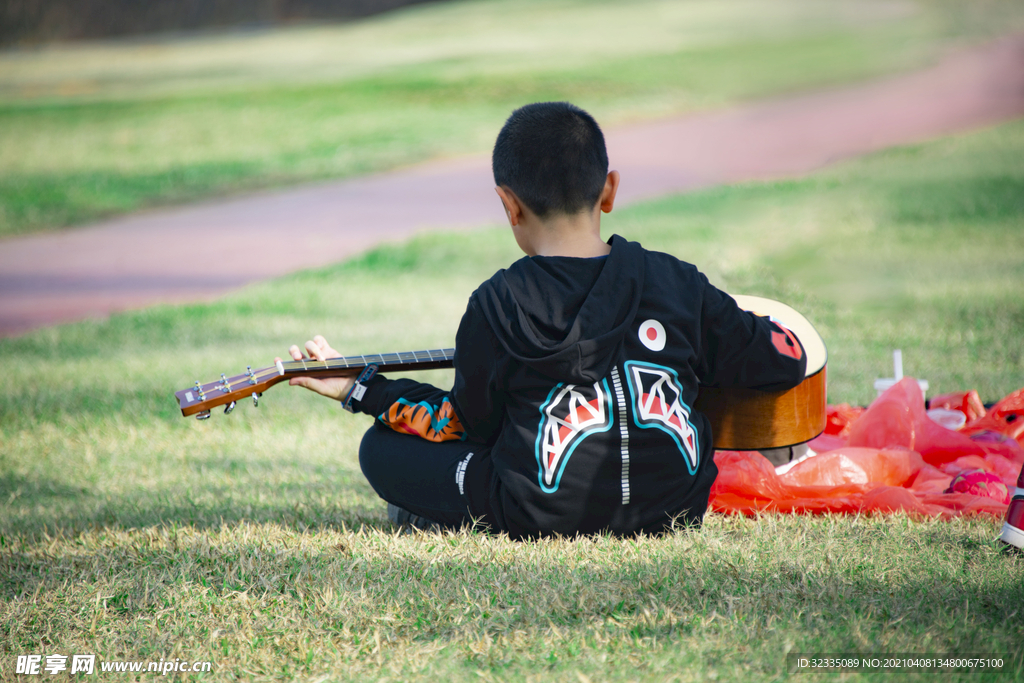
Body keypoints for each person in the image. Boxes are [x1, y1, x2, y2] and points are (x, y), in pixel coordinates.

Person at [281, 102, 807, 539]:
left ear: (508, 205)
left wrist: (362, 392)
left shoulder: (497, 302)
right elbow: (783, 360)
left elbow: (468, 427)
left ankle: (435, 513)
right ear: (609, 190)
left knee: (380, 448)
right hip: (673, 510)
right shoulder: (678, 283)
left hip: (537, 516)